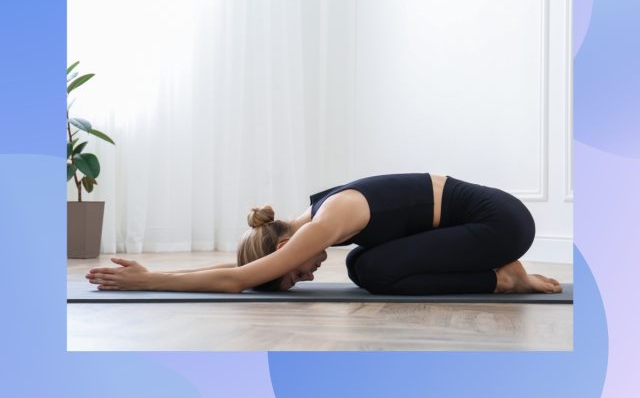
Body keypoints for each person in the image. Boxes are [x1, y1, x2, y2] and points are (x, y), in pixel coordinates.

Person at [86, 173, 562, 295]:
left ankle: (503, 279)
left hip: (501, 223)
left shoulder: (326, 220)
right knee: (365, 265)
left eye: (292, 274)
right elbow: (242, 273)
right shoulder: (315, 220)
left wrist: (152, 281)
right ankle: (495, 271)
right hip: (483, 224)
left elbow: (239, 280)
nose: (307, 278)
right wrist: (156, 271)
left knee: (371, 268)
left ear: (281, 247)